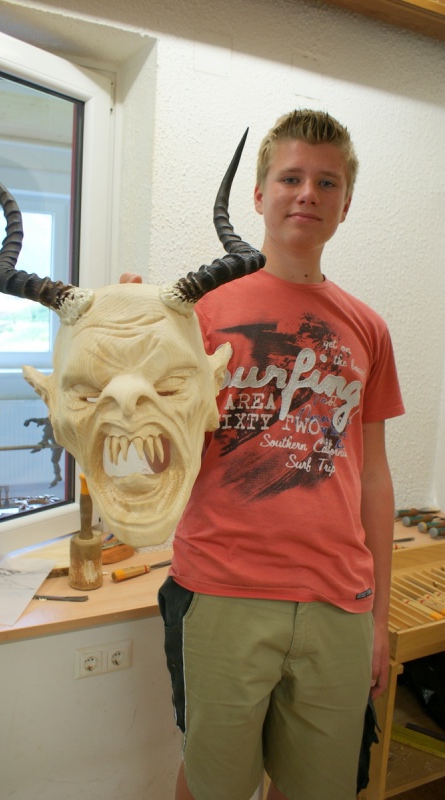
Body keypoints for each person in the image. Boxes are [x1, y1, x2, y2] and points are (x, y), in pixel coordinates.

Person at [127, 109, 404, 800]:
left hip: (339, 602)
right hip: (223, 589)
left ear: (345, 203)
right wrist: (138, 351)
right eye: (290, 178)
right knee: (215, 787)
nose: (308, 193)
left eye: (327, 182)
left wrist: (379, 617)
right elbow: (163, 461)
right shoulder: (199, 313)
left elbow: (373, 477)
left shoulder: (368, 328)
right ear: (259, 195)